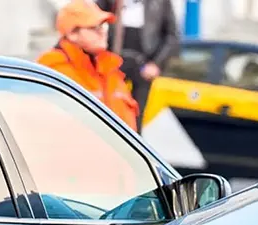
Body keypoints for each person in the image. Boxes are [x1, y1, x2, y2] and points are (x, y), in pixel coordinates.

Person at [38, 0, 139, 131]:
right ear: (72, 34)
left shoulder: (110, 70)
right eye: (94, 27)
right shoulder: (54, 72)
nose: (102, 32)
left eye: (103, 26)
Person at [98, 0, 179, 132]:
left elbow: (172, 36)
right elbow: (94, 18)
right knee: (108, 112)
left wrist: (156, 64)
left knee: (136, 117)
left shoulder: (161, 3)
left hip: (144, 64)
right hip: (113, 61)